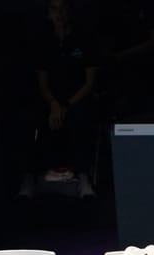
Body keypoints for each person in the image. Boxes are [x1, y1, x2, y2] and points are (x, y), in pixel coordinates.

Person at [24, 0, 98, 199]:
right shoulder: (43, 43)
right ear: (48, 14)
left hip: (77, 99)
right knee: (32, 120)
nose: (60, 14)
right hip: (51, 101)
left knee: (82, 119)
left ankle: (83, 177)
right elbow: (42, 83)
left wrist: (66, 105)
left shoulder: (83, 40)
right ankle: (30, 178)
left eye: (64, 8)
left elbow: (89, 82)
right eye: (55, 9)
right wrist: (55, 105)